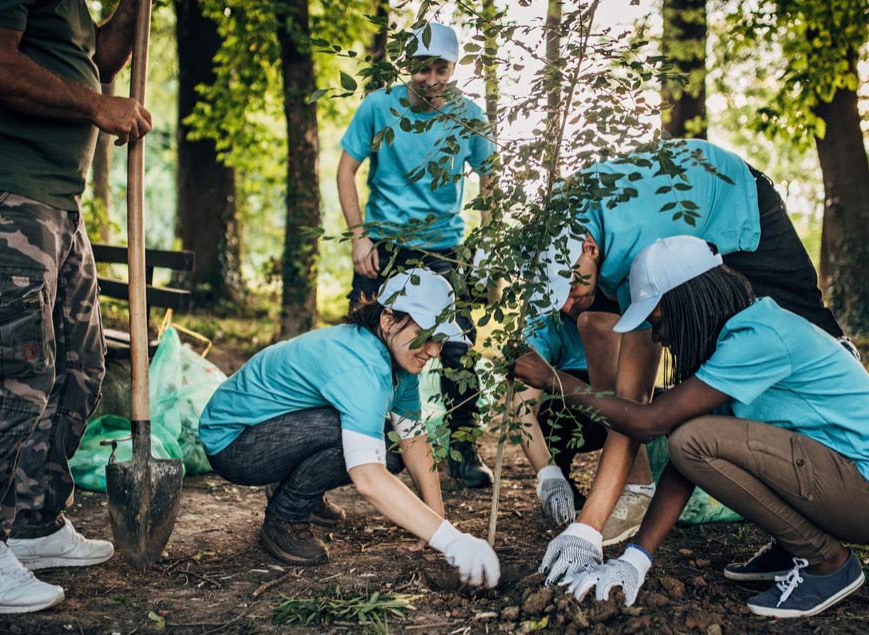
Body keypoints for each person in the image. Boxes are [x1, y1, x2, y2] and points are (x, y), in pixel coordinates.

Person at [515, 236, 869, 618]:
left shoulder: (758, 337)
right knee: (692, 439)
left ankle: (829, 563)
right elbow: (685, 464)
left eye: (657, 320)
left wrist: (556, 380)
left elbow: (651, 423)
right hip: (843, 485)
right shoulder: (736, 340)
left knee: (691, 437)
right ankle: (793, 546)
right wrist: (636, 559)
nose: (658, 336)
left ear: (689, 303)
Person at [532, 137, 852, 578]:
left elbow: (637, 402)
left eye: (569, 289)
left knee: (804, 326)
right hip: (660, 212)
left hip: (734, 201)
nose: (566, 305)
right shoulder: (564, 223)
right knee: (596, 324)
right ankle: (638, 485)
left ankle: (848, 433)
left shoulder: (637, 245)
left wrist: (586, 529)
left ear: (588, 249)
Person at [0, 0, 153, 614]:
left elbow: (102, 60)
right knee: (13, 375)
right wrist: (93, 106)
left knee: (81, 368)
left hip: (60, 203)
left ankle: (34, 523)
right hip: (8, 197)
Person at [199, 269, 501, 588]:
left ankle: (301, 490)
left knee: (389, 446)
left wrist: (436, 523)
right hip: (235, 443)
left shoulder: (400, 367)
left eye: (440, 340)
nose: (434, 351)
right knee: (352, 438)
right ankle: (285, 518)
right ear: (387, 320)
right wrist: (453, 541)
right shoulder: (362, 366)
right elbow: (368, 478)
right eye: (426, 335)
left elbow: (414, 441)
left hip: (277, 430)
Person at [337, 21, 496, 489]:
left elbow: (491, 181)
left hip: (444, 250)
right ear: (408, 67)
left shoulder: (468, 116)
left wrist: (485, 250)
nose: (430, 79)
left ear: (454, 67)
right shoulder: (378, 107)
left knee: (458, 350)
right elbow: (346, 172)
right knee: (369, 346)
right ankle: (379, 443)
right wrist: (358, 236)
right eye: (421, 69)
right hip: (383, 248)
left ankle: (463, 450)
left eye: (440, 68)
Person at [516, 311, 655, 537]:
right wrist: (547, 472)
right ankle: (563, 475)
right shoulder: (544, 322)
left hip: (624, 409)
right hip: (573, 416)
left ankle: (644, 480)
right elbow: (522, 407)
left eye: (575, 288)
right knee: (554, 409)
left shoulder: (624, 303)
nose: (569, 303)